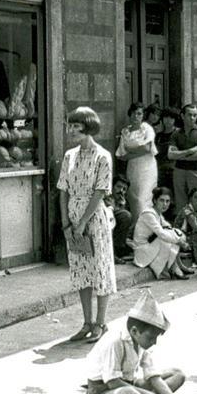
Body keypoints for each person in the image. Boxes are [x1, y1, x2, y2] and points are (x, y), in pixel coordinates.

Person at [84, 289, 197, 394]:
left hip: (131, 384)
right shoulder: (115, 341)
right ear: (134, 331)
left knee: (178, 374)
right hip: (103, 393)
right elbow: (113, 383)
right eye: (152, 337)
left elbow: (153, 377)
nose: (154, 342)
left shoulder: (140, 342)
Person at [60, 107, 118, 344]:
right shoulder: (69, 156)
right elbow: (62, 190)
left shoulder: (102, 156)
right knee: (81, 270)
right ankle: (86, 322)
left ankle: (101, 322)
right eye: (70, 126)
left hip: (94, 218)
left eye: (76, 126)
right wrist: (67, 222)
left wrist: (83, 222)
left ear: (88, 127)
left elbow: (100, 191)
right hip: (73, 219)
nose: (72, 130)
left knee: (100, 268)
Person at [133, 186, 192, 280]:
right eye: (161, 200)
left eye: (167, 201)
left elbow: (169, 228)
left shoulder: (158, 214)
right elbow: (161, 234)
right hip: (143, 250)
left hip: (151, 246)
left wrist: (179, 237)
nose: (165, 204)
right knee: (166, 239)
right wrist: (179, 241)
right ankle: (174, 269)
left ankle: (178, 266)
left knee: (174, 233)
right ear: (155, 200)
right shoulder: (148, 214)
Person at [116, 102, 159, 220]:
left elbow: (147, 148)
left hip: (147, 168)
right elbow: (121, 155)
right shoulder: (125, 131)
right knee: (134, 198)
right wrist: (137, 150)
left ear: (142, 115)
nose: (136, 116)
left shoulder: (147, 128)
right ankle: (137, 227)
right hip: (133, 168)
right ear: (130, 115)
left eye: (139, 114)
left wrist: (130, 150)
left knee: (143, 198)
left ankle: (146, 228)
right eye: (134, 114)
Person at [169, 104, 197, 212]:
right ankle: (182, 227)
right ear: (182, 116)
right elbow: (171, 154)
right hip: (179, 171)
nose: (192, 118)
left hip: (196, 172)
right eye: (189, 115)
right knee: (180, 202)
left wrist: (180, 156)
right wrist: (190, 151)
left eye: (194, 115)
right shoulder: (176, 134)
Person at [154, 107, 181, 195]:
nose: (168, 120)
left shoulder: (179, 134)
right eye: (166, 117)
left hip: (175, 172)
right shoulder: (158, 136)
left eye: (171, 118)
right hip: (160, 172)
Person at [109, 176, 133, 263]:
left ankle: (118, 251)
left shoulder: (121, 200)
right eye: (118, 187)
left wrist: (122, 205)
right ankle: (113, 253)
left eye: (124, 189)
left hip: (116, 231)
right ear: (112, 186)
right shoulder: (108, 196)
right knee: (126, 215)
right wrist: (120, 208)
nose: (121, 191)